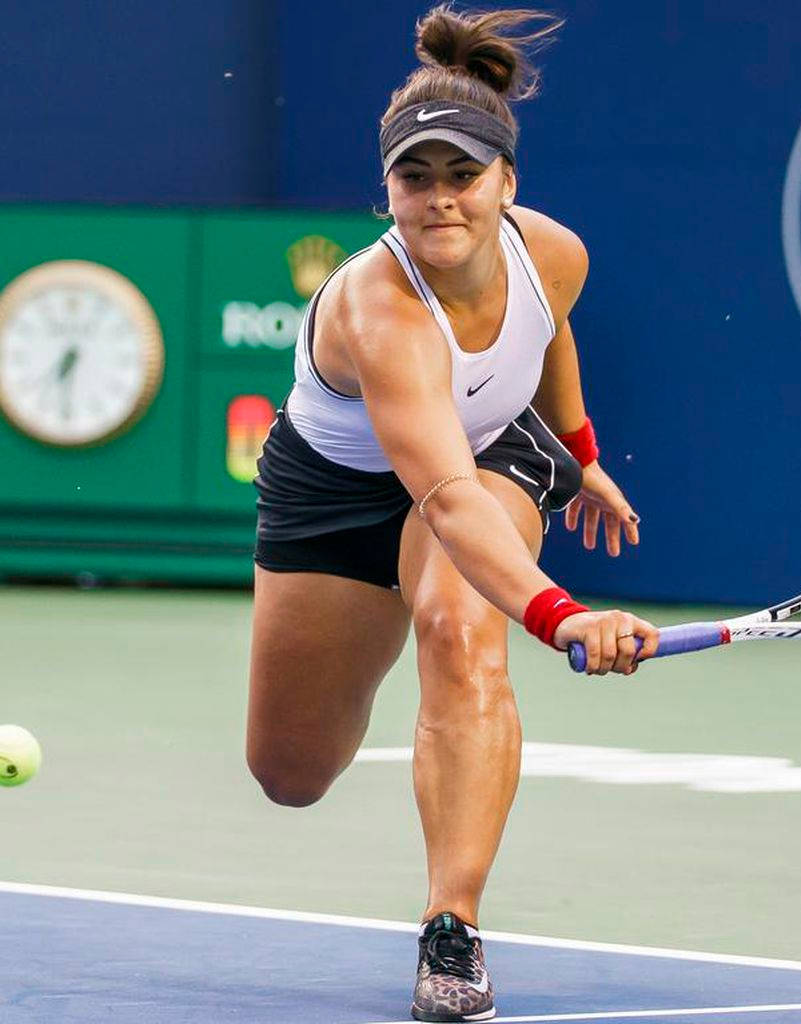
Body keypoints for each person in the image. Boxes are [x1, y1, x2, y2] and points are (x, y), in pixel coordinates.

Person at [245, 8, 658, 1020]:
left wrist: (581, 450)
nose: (438, 201)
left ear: (506, 182)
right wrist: (564, 614)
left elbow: (548, 332)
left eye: (460, 176)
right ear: (385, 188)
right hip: (345, 485)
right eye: (413, 178)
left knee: (460, 628)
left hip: (487, 451)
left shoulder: (554, 252)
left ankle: (452, 926)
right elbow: (445, 497)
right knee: (289, 771)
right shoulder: (377, 311)